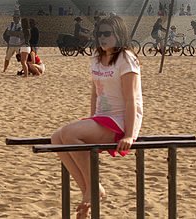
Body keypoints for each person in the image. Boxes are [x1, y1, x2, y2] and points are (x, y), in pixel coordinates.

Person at [50, 15, 142, 219]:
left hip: (120, 119)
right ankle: (89, 191)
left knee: (68, 134)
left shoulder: (126, 58)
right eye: (99, 34)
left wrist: (129, 134)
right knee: (57, 138)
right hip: (102, 118)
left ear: (119, 34)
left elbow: (131, 99)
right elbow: (95, 92)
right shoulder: (95, 57)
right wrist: (91, 121)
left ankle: (93, 189)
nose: (102, 38)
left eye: (107, 33)